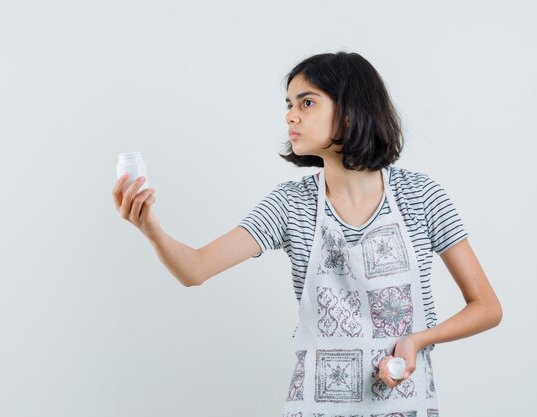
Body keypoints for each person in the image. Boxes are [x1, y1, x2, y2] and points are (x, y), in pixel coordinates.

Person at [111, 51, 502, 416]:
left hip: (406, 404)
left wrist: (417, 340)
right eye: (289, 105)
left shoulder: (421, 196)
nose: (290, 117)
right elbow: (194, 269)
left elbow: (486, 307)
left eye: (307, 102)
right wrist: (151, 228)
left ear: (350, 112)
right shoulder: (290, 205)